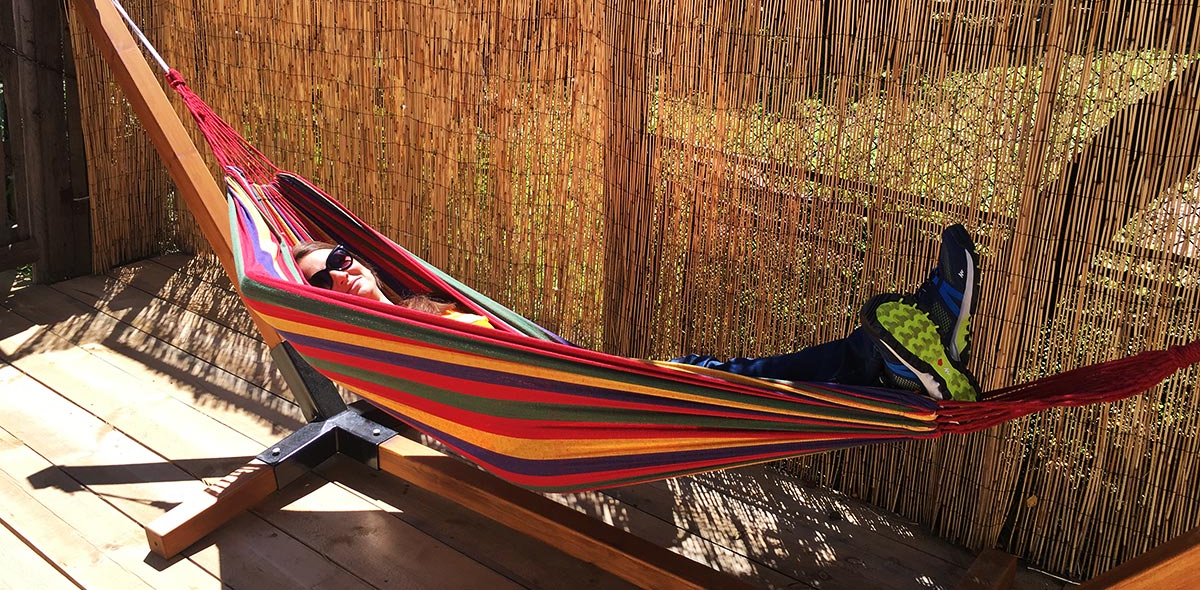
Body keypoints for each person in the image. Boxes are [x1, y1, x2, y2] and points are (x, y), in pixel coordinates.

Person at [293, 226, 983, 402]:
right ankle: (886, 366)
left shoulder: (420, 305)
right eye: (324, 278)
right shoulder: (391, 344)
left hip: (572, 373)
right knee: (724, 381)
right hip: (560, 401)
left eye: (341, 256)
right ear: (324, 305)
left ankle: (889, 364)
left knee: (728, 374)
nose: (341, 271)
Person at [672, 224, 981, 401]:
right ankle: (904, 363)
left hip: (660, 391)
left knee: (717, 378)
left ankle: (902, 370)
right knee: (740, 386)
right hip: (670, 395)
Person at [292, 240, 494, 328]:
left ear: (363, 264)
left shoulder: (434, 310)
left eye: (338, 260)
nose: (340, 276)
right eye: (321, 281)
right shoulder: (364, 354)